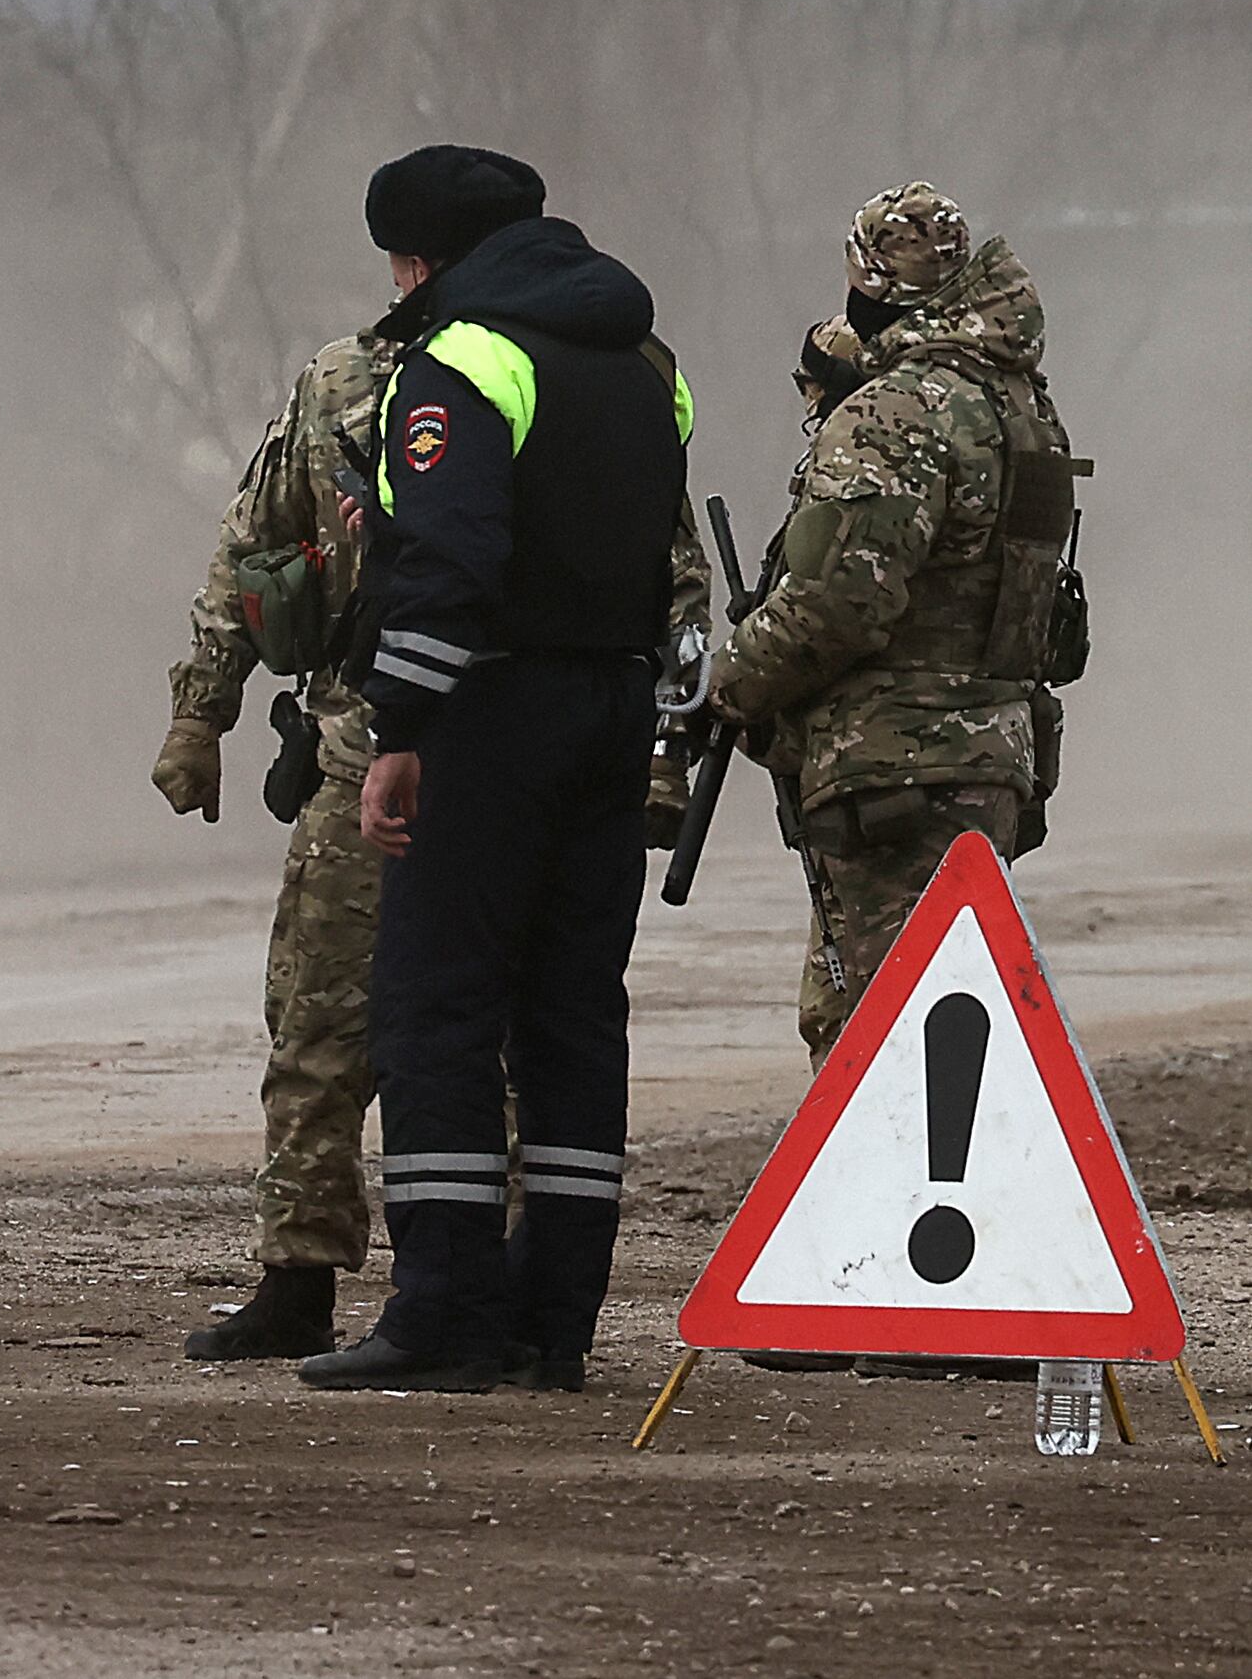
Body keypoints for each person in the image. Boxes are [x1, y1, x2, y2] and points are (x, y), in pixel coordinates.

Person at [297, 146, 691, 1397]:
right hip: (614, 706)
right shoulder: (642, 362)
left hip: (493, 712)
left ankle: (444, 1313)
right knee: (574, 1017)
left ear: (422, 260)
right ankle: (552, 1321)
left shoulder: (461, 359)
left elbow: (452, 561)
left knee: (436, 1011)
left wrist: (398, 726)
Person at [713, 185, 1080, 1066]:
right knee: (951, 1033)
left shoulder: (895, 413)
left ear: (875, 282)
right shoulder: (1022, 407)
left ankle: (895, 1209)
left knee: (875, 1051)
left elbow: (840, 601)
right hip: (993, 758)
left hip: (892, 773)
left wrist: (726, 680)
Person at [155, 325, 399, 1360]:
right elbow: (251, 551)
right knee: (316, 1023)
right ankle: (297, 1276)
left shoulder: (553, 384)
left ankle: (486, 1285)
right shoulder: (339, 384)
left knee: (492, 1037)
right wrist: (198, 714)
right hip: (354, 749)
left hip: (484, 757)